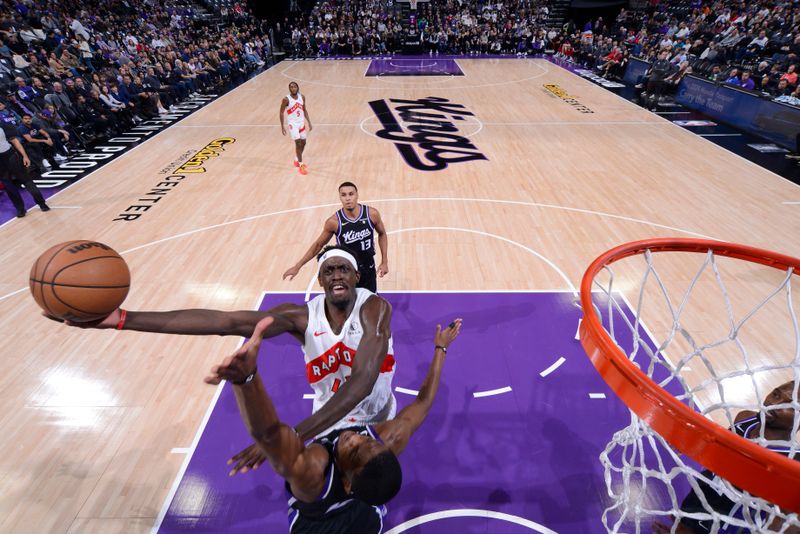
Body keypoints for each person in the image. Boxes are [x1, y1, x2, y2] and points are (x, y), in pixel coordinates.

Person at [48, 245, 395, 443]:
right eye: (330, 270)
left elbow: (363, 381)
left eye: (344, 270)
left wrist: (294, 434)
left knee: (374, 485)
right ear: (319, 279)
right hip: (328, 420)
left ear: (357, 277)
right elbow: (224, 321)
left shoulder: (375, 309)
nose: (337, 276)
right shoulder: (300, 316)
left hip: (376, 414)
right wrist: (124, 319)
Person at [205, 316, 462, 532]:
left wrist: (247, 380)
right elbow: (424, 401)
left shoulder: (313, 477)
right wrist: (441, 348)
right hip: (365, 518)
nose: (354, 437)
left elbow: (272, 437)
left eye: (353, 450)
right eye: (367, 440)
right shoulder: (388, 442)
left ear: (349, 485)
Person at [653, 381, 800, 534]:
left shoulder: (793, 463)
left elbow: (786, 524)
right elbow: (721, 450)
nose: (774, 404)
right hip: (703, 493)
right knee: (681, 527)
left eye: (790, 406)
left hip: (729, 524)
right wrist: (693, 442)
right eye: (776, 394)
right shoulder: (745, 418)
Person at [282, 182, 388, 293]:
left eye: (351, 194)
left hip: (368, 266)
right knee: (347, 305)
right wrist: (297, 266)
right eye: (344, 195)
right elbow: (318, 245)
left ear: (357, 195)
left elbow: (382, 234)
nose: (348, 198)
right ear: (340, 197)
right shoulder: (334, 222)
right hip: (346, 270)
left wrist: (384, 261)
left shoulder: (372, 214)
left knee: (370, 302)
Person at [0, 121, 49, 217]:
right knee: (9, 187)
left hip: (10, 157)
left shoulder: (3, 126)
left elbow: (15, 141)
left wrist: (25, 156)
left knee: (27, 180)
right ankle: (20, 209)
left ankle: (42, 203)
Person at [279, 81, 312, 175]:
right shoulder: (286, 99)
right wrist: (282, 126)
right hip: (293, 124)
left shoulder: (302, 97)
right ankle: (301, 165)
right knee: (298, 143)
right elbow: (281, 112)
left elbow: (304, 109)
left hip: (301, 123)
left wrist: (309, 122)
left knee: (304, 143)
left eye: (294, 86)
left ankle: (296, 159)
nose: (293, 88)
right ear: (289, 89)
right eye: (291, 87)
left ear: (298, 87)